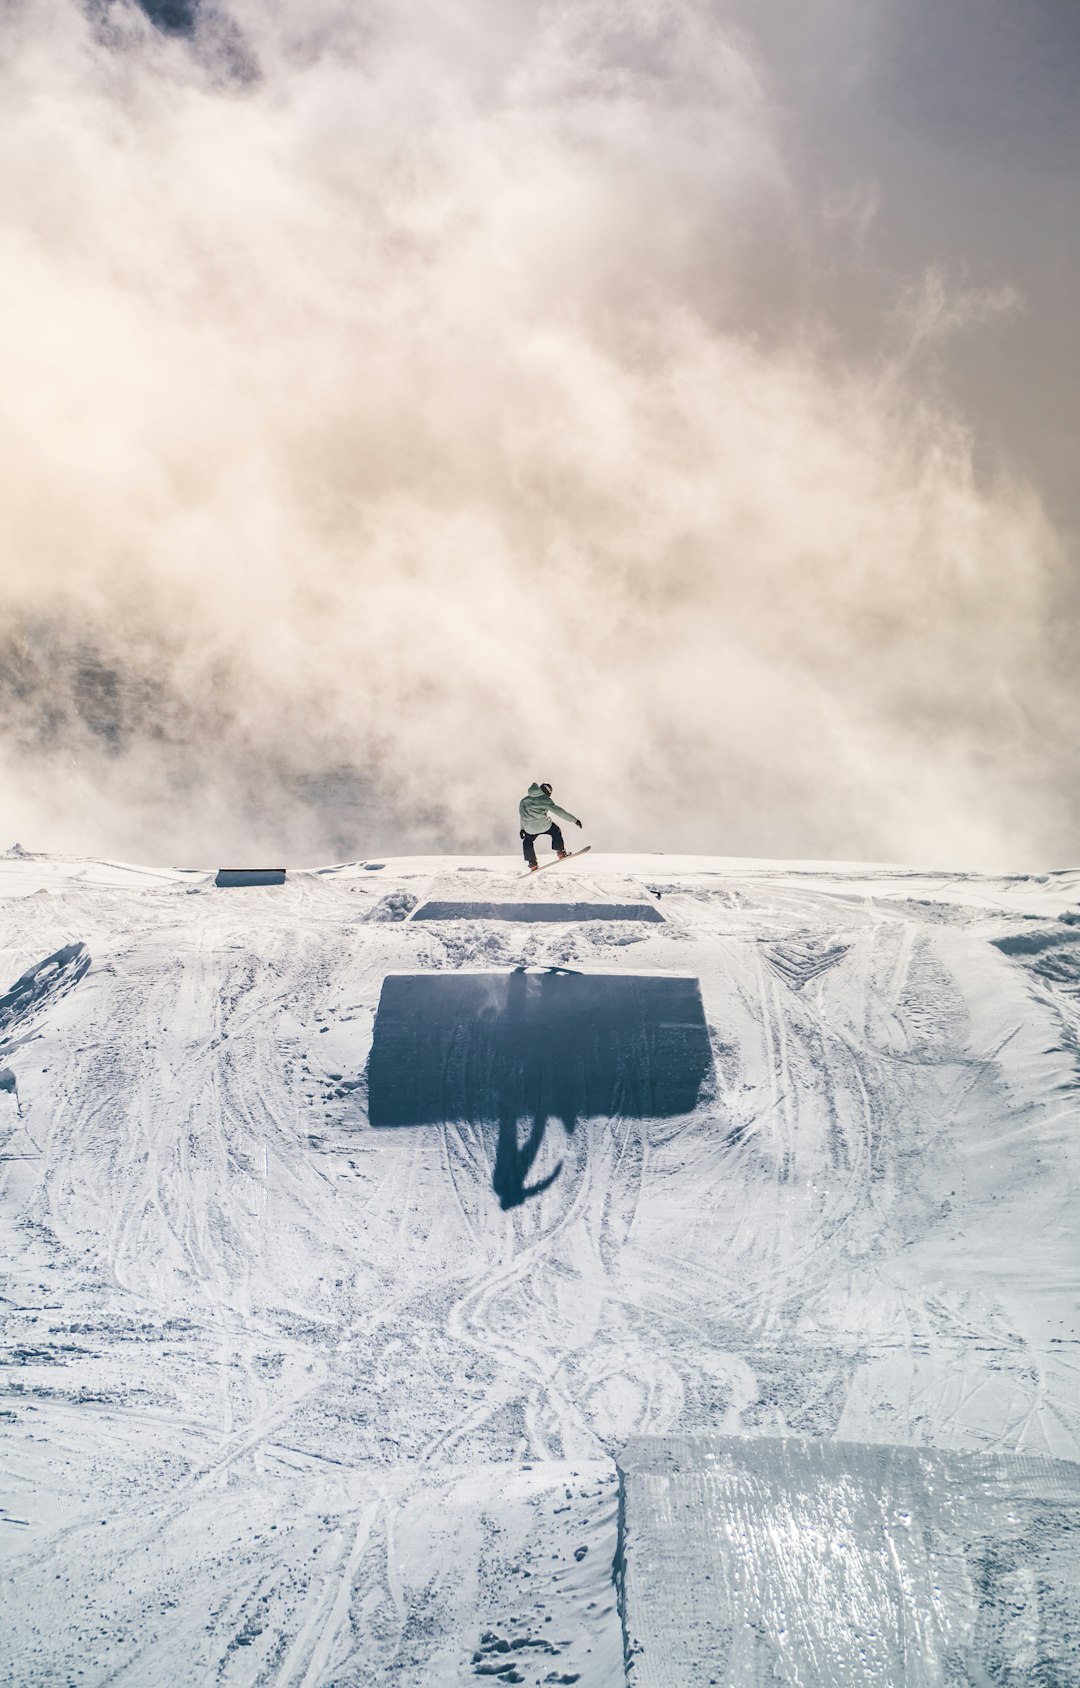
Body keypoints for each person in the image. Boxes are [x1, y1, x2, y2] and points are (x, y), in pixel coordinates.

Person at [518, 781, 583, 871]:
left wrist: (522, 829)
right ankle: (561, 852)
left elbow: (522, 815)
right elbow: (560, 812)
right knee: (555, 831)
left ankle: (532, 863)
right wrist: (574, 820)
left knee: (527, 841)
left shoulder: (524, 801)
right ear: (547, 792)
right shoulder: (545, 800)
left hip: (529, 828)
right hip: (544, 825)